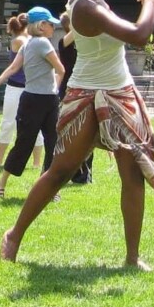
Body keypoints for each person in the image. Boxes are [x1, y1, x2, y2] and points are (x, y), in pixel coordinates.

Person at [0, 0, 154, 268]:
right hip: (88, 95)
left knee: (131, 175)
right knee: (60, 171)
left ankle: (132, 258)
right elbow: (139, 35)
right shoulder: (86, 6)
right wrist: (149, 1)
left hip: (119, 91)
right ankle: (14, 235)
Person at [0, 7, 65, 197]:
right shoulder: (43, 44)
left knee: (25, 143)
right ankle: (50, 188)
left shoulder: (27, 45)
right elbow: (61, 70)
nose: (53, 28)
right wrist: (55, 90)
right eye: (50, 24)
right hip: (45, 101)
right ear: (41, 26)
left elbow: (12, 69)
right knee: (51, 143)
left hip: (31, 99)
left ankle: (2, 185)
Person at [0, 13, 43, 171]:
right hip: (15, 88)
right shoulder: (21, 40)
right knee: (8, 123)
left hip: (30, 88)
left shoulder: (29, 40)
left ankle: (36, 163)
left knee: (36, 125)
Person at [56, 12, 93, 184]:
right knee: (71, 133)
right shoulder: (64, 44)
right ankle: (75, 172)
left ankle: (84, 173)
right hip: (71, 92)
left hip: (85, 90)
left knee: (87, 132)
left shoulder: (85, 46)